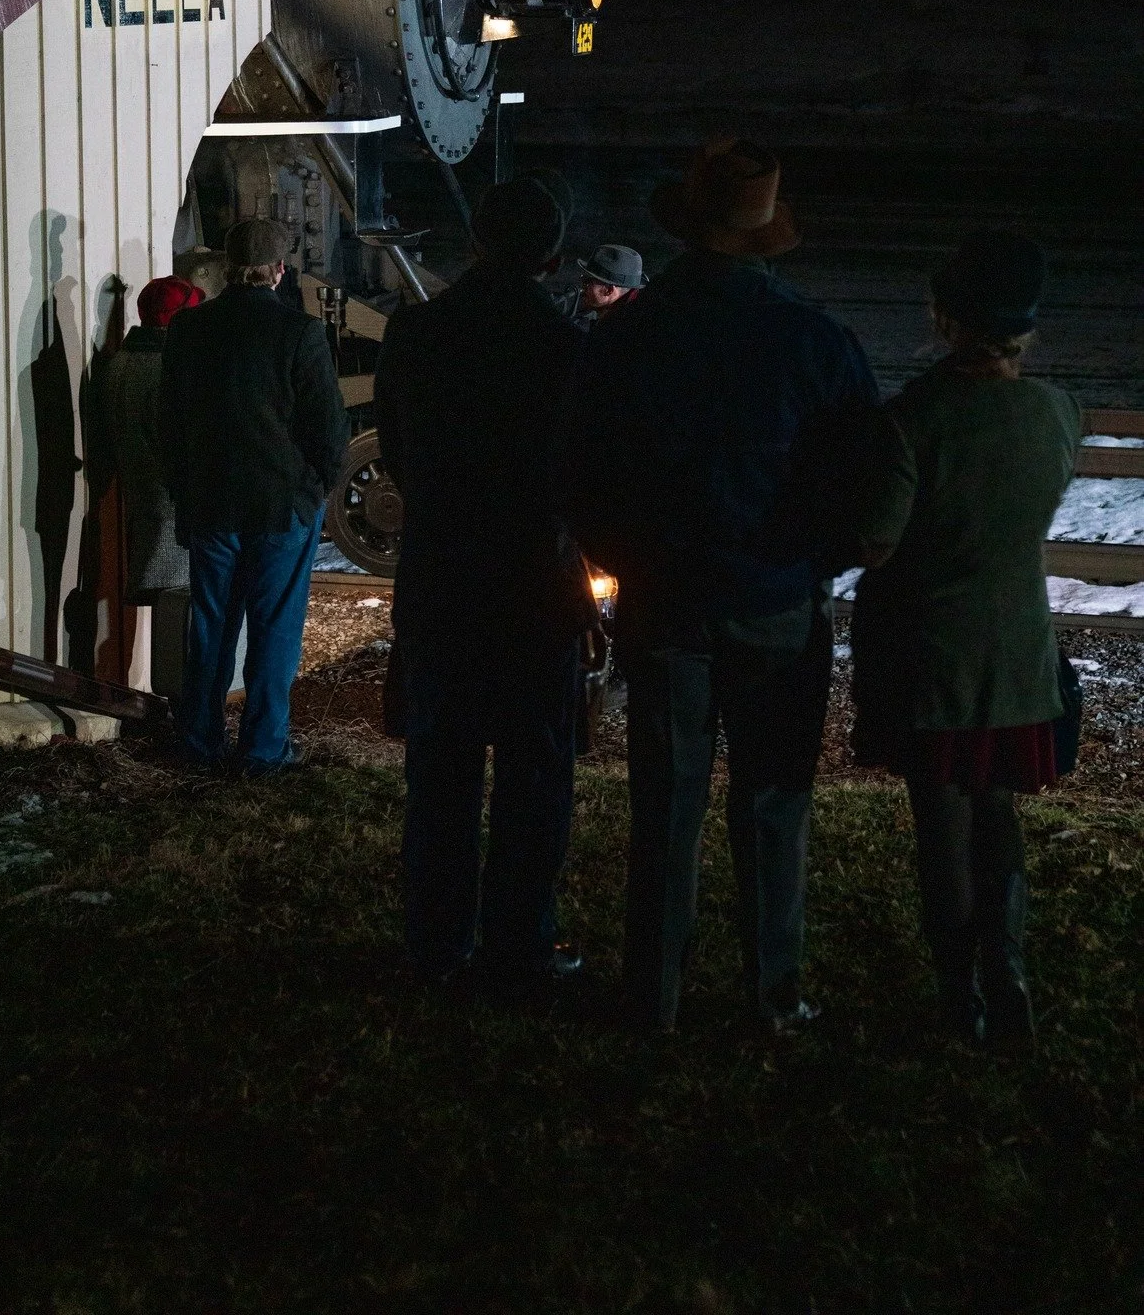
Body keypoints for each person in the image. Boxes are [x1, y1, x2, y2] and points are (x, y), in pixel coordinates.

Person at [562, 139, 879, 1034]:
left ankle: (652, 995)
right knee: (775, 799)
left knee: (666, 801)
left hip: (667, 601)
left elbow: (583, 474)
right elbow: (860, 479)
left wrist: (629, 557)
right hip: (776, 601)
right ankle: (774, 995)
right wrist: (812, 561)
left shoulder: (628, 337)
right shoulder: (815, 340)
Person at [848, 234, 1078, 1050]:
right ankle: (1007, 969)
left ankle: (958, 994)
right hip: (1019, 649)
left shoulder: (913, 421)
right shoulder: (1055, 412)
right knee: (997, 811)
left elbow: (876, 540)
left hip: (932, 654)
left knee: (940, 822)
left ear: (946, 321)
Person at [374, 176, 596, 989]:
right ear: (552, 256)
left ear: (475, 241)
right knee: (536, 775)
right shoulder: (569, 351)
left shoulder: (417, 335)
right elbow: (583, 476)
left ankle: (436, 941)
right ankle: (519, 944)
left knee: (442, 772)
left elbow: (398, 453)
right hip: (535, 583)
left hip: (441, 579)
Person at [160, 219, 349, 774]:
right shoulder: (299, 333)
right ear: (279, 271)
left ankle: (200, 739)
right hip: (279, 507)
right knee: (274, 630)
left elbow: (170, 425)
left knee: (212, 627)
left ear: (226, 269)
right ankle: (264, 748)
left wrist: (186, 492)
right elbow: (329, 431)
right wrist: (311, 491)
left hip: (212, 504)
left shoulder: (190, 330)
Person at [89, 274, 204, 697]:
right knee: (178, 614)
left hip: (140, 498)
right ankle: (174, 705)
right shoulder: (166, 370)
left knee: (164, 608)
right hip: (173, 505)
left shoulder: (118, 365)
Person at [555, 243, 646, 332]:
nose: (583, 284)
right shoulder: (615, 312)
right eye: (584, 278)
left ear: (609, 290)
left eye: (588, 281)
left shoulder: (623, 327)